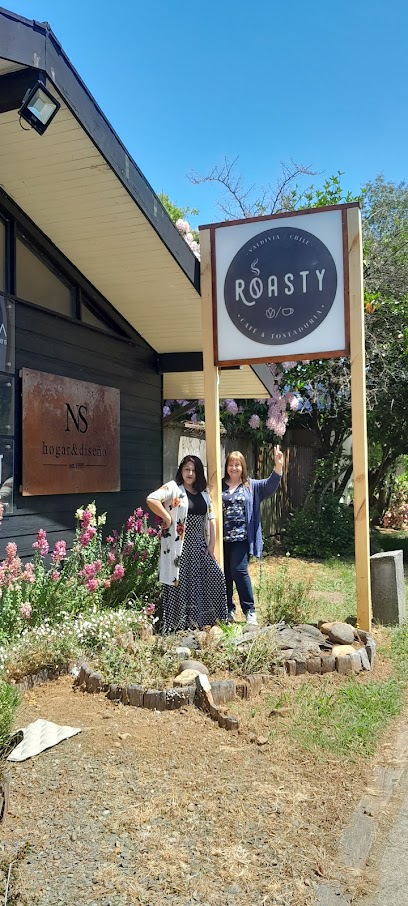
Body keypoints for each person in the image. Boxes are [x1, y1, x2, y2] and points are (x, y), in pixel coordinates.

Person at [146, 455, 228, 633]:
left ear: (198, 473)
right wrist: (167, 517)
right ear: (181, 471)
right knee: (180, 584)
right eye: (186, 469)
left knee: (215, 576)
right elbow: (152, 499)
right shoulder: (173, 488)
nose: (190, 473)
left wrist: (212, 544)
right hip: (179, 548)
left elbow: (211, 519)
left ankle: (208, 620)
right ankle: (178, 625)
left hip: (199, 545)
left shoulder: (204, 495)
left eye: (193, 470)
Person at [222, 445, 284, 625]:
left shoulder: (251, 485)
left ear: (243, 467)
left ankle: (250, 611)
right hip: (222, 539)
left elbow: (270, 485)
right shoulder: (218, 485)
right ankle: (228, 610)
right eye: (231, 465)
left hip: (242, 538)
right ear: (226, 467)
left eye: (237, 465)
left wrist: (278, 465)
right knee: (225, 574)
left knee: (239, 571)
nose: (234, 468)